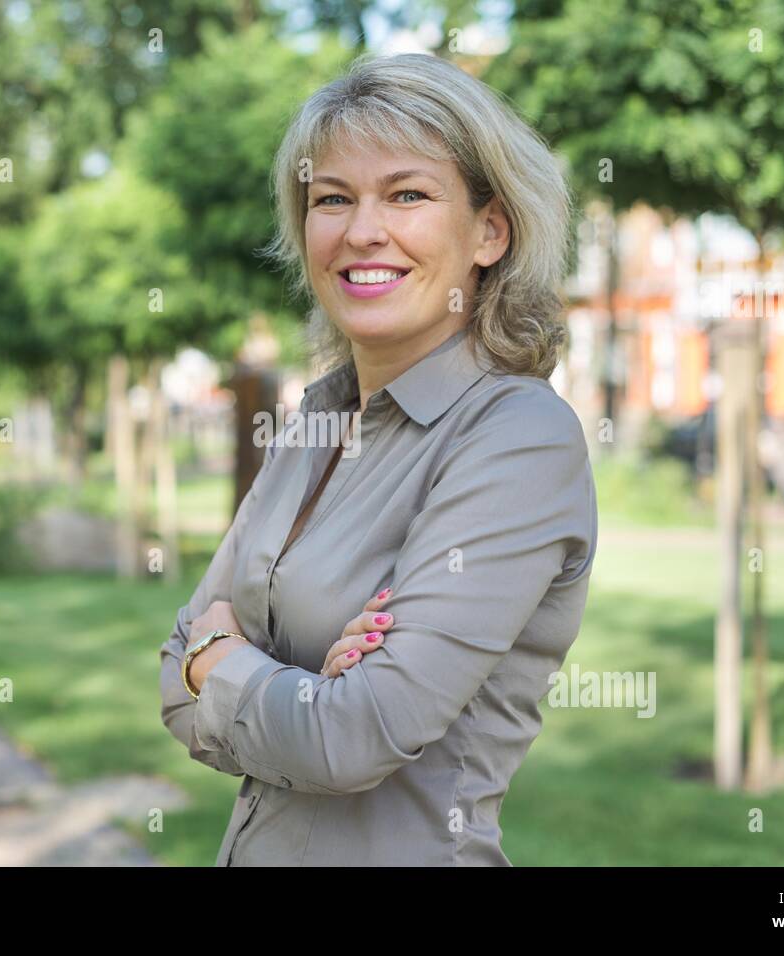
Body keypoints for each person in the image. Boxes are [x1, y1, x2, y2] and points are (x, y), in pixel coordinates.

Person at [158, 52, 598, 866]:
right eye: (332, 198)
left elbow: (351, 738)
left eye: (407, 194)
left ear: (490, 231)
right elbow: (170, 672)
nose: (363, 230)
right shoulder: (316, 420)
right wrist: (282, 687)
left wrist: (221, 664)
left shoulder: (516, 437)